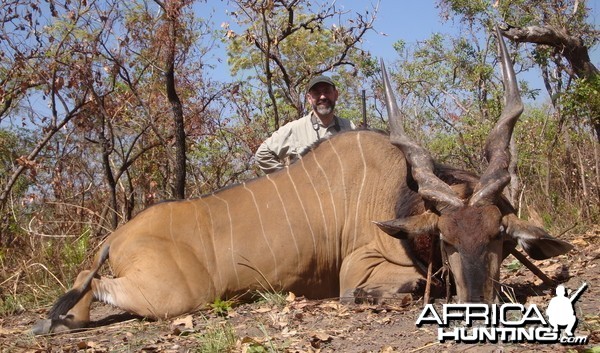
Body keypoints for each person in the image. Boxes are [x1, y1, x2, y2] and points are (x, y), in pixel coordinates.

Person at [254, 75, 355, 174]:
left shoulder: (349, 127)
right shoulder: (296, 128)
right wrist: (287, 178)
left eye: (327, 91)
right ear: (309, 98)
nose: (323, 96)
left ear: (336, 95)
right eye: (317, 93)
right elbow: (262, 154)